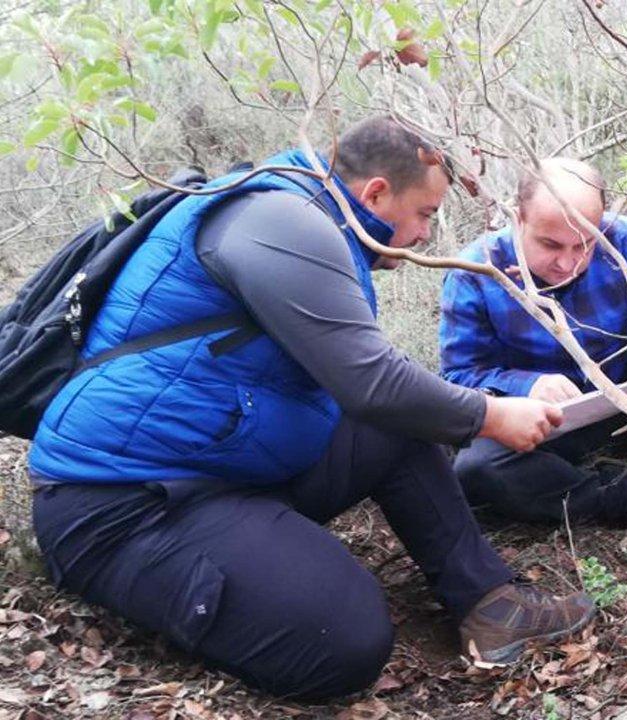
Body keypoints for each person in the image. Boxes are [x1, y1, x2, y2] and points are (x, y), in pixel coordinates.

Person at [25, 117, 595, 700]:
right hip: (123, 505)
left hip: (225, 469)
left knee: (396, 425)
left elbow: (376, 391)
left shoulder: (305, 215)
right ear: (374, 192)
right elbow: (370, 381)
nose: (426, 234)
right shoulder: (278, 222)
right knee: (344, 644)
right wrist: (491, 415)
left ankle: (488, 602)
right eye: (424, 213)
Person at [440, 158, 627, 543]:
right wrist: (526, 385)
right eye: (550, 244)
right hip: (538, 429)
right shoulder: (474, 273)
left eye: (583, 244)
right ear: (518, 219)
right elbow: (459, 376)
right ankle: (625, 497)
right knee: (478, 468)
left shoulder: (620, 238)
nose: (568, 263)